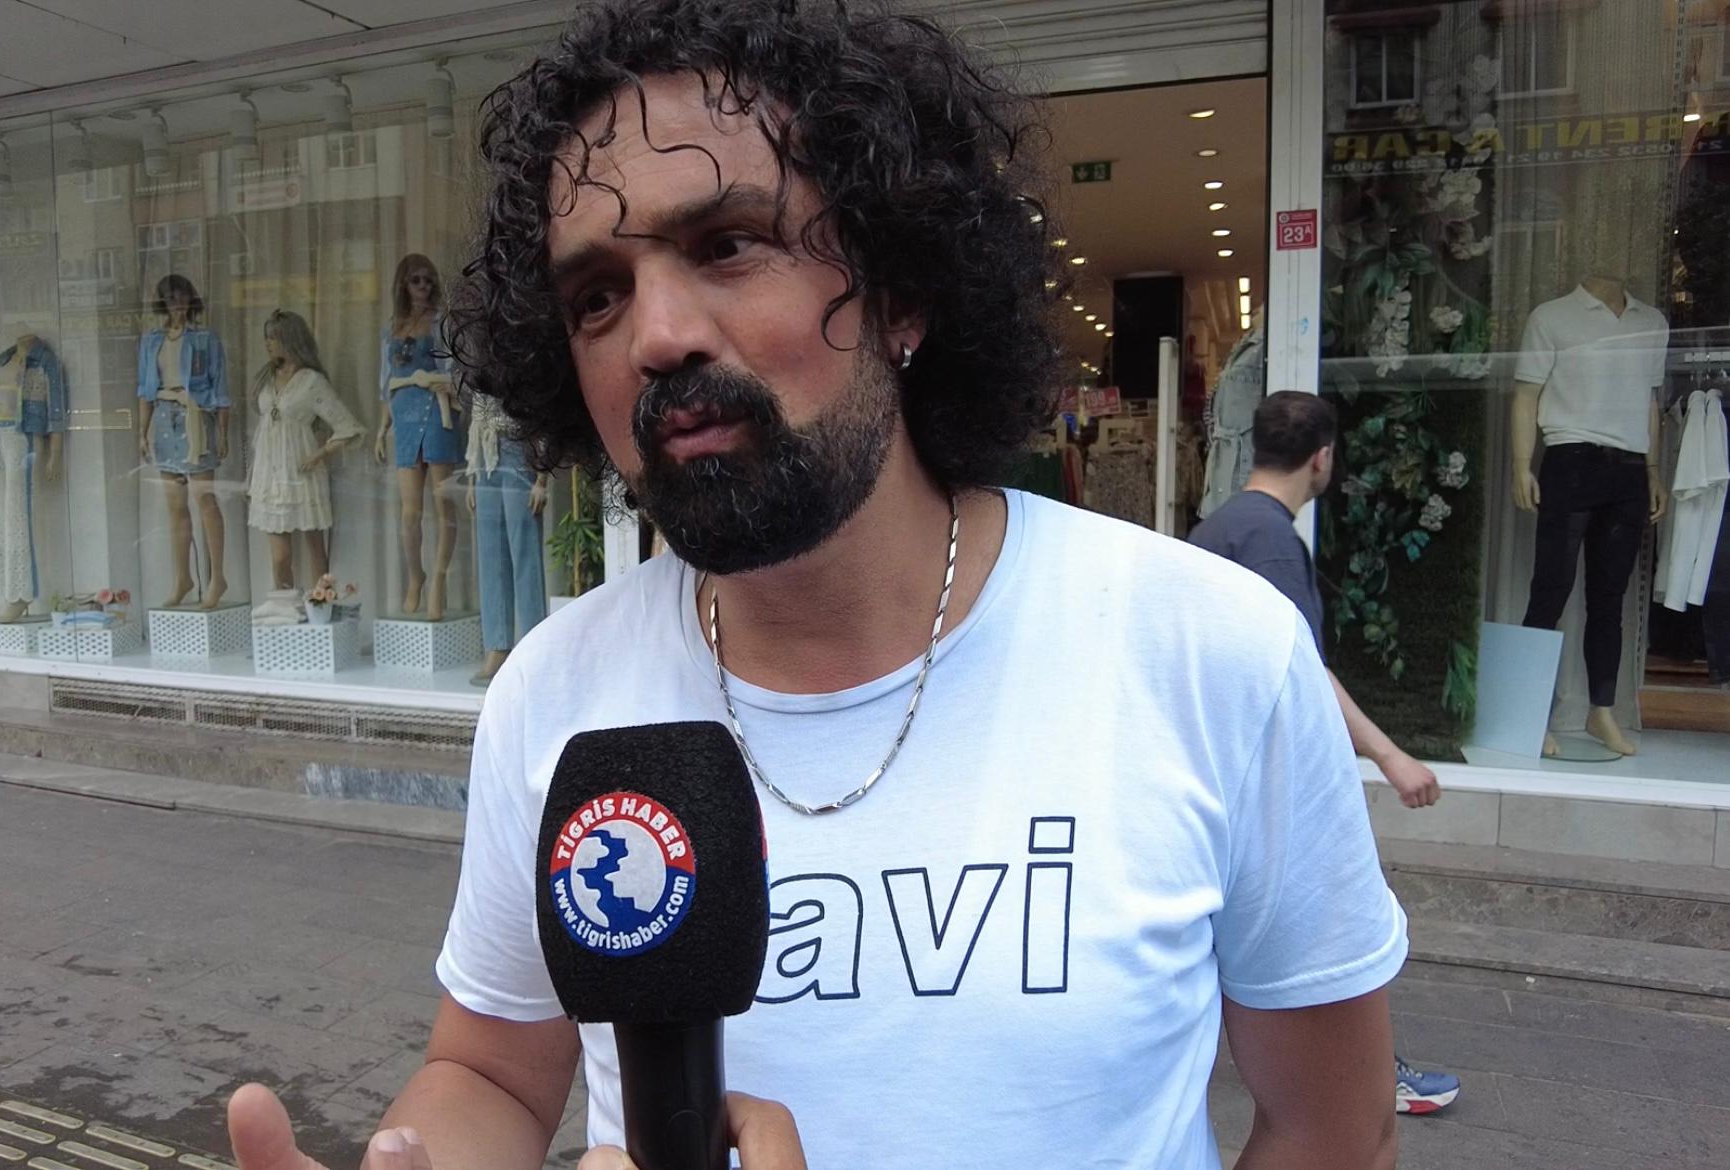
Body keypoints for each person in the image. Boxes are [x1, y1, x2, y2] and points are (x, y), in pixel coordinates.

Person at [226, 3, 1408, 1169]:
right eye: (598, 297)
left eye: (728, 245)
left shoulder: (1211, 650)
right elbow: (490, 1071)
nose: (657, 336)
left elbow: (1333, 1131)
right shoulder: (554, 694)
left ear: (901, 293)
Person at [1189, 389, 1462, 1116]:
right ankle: (1368, 1081)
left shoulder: (1222, 528)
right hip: (1261, 781)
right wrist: (1390, 755)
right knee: (1323, 943)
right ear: (1322, 458)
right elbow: (1302, 675)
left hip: (1219, 772)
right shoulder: (1271, 543)